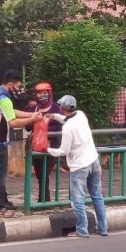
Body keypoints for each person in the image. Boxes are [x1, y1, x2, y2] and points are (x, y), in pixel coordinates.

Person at [0, 69, 43, 217]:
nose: (19, 90)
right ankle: (0, 207)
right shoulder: (4, 100)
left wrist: (31, 114)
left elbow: (11, 111)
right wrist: (32, 119)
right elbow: (13, 122)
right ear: (10, 84)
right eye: (18, 86)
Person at [46, 95, 108, 237]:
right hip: (94, 160)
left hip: (80, 166)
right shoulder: (80, 115)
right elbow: (67, 118)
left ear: (62, 108)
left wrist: (47, 150)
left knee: (78, 199)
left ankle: (82, 229)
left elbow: (63, 151)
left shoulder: (68, 128)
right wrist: (54, 116)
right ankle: (103, 228)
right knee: (97, 196)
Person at [27, 82, 62, 202]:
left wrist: (44, 127)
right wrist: (33, 120)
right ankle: (43, 198)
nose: (42, 95)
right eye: (39, 93)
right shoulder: (33, 109)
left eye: (45, 93)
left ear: (49, 94)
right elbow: (27, 127)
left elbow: (59, 126)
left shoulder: (55, 109)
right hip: (36, 146)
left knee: (44, 173)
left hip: (50, 146)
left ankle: (44, 199)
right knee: (39, 173)